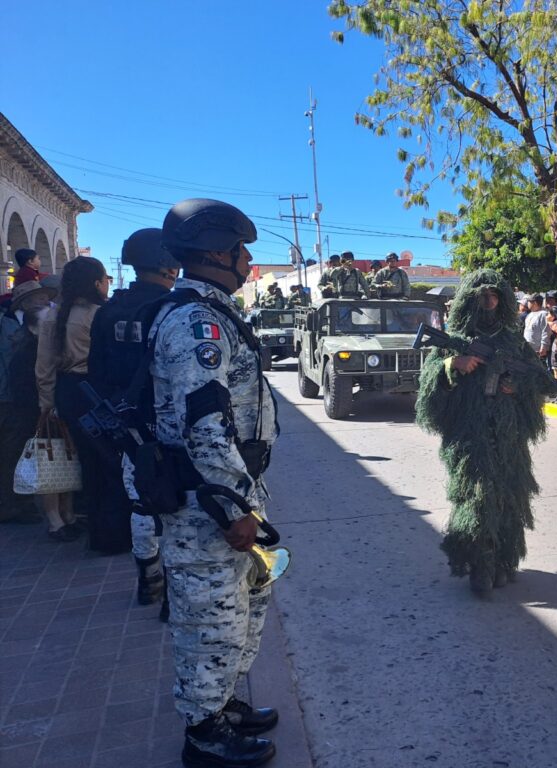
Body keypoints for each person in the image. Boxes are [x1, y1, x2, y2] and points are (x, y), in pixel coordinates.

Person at [154, 198, 279, 766]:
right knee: (211, 622)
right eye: (240, 248)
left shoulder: (216, 313)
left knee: (244, 606)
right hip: (209, 507)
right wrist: (235, 511)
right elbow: (203, 426)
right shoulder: (195, 322)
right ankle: (203, 736)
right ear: (213, 251)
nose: (248, 258)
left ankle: (222, 703)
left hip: (232, 494)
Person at [415, 269, 557, 593]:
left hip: (507, 431)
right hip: (470, 431)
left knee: (510, 496)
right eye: (482, 296)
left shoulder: (512, 341)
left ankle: (505, 559)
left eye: (494, 295)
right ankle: (480, 562)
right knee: (476, 497)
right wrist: (453, 366)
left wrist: (516, 387)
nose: (489, 301)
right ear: (470, 299)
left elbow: (535, 377)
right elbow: (428, 386)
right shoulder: (455, 338)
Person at [88, 228, 180, 607]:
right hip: (170, 426)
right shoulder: (173, 308)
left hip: (127, 425)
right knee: (177, 509)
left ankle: (148, 580)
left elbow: (94, 371)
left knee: (140, 503)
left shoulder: (108, 311)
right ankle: (172, 592)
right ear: (169, 265)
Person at [36, 256, 119, 551]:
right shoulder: (103, 314)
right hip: (100, 391)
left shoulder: (52, 317)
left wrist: (47, 403)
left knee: (84, 460)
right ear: (96, 283)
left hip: (69, 392)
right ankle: (110, 530)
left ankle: (88, 523)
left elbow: (44, 366)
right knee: (111, 461)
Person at [0, 281, 56, 527]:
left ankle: (19, 502)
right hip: (12, 399)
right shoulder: (14, 328)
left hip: (18, 397)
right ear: (24, 302)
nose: (43, 301)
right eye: (38, 297)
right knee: (13, 452)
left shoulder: (21, 326)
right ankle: (11, 505)